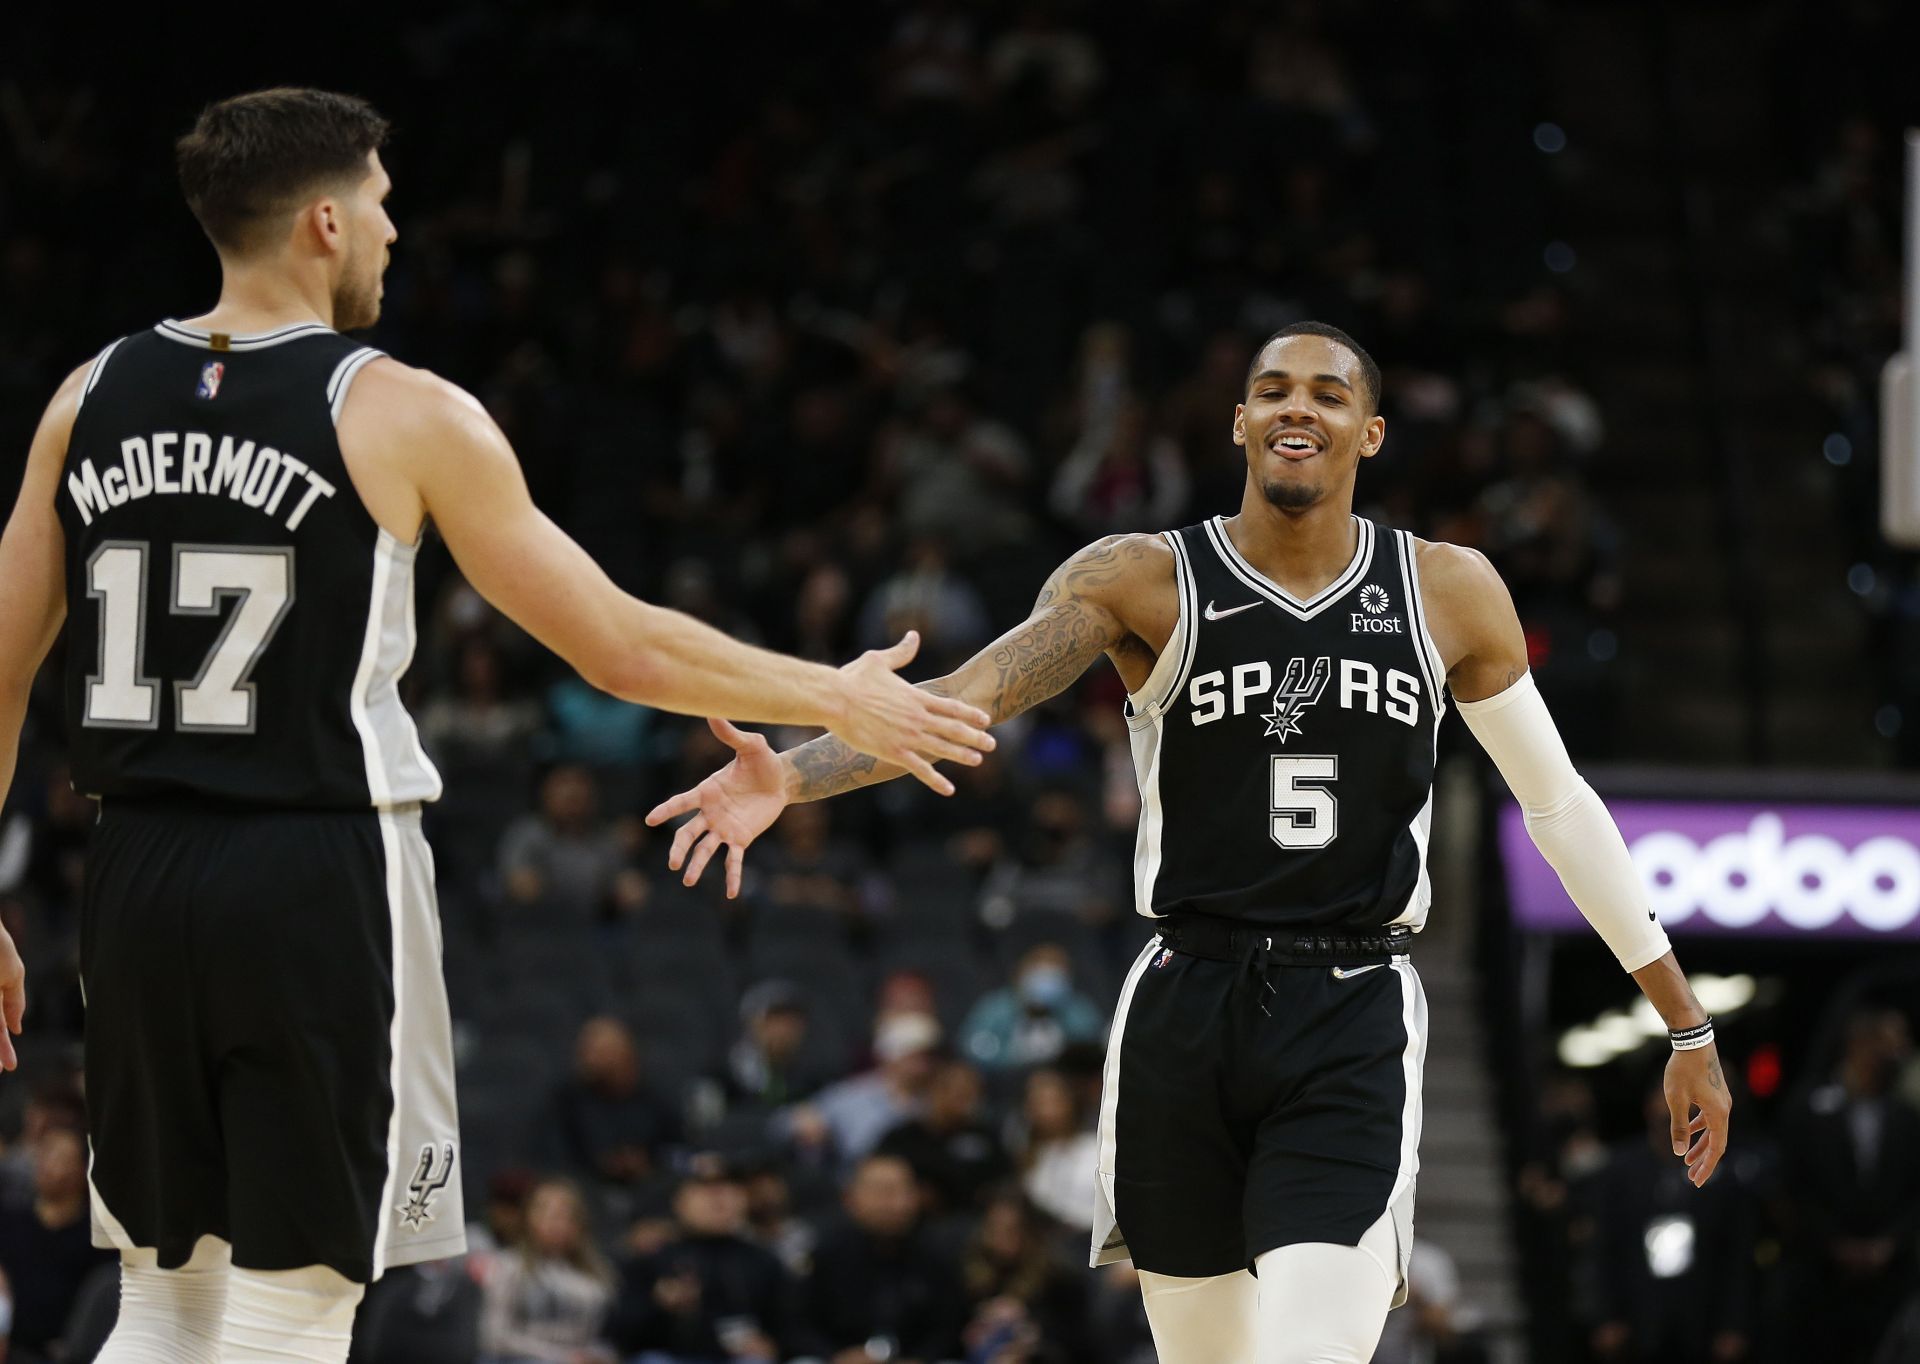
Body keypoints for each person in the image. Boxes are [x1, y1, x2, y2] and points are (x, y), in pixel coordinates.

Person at [0, 87, 993, 1364]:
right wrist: (832, 690)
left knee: (165, 1294)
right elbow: (617, 641)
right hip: (311, 869)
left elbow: (5, 664)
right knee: (293, 1301)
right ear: (322, 220)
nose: (394, 232)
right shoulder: (399, 407)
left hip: (132, 877)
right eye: (380, 203)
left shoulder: (85, 398)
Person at [649, 321, 1733, 1362]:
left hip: (1349, 1003)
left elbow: (1558, 806)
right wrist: (787, 777)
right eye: (1273, 389)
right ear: (1237, 422)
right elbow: (964, 698)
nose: (1297, 406)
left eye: (1328, 392)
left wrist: (1685, 1025)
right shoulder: (1137, 577)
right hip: (1185, 1003)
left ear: (1372, 433)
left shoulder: (1448, 589)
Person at [607, 1159, 798, 1364]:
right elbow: (618, 1334)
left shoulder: (764, 1261)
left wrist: (773, 1344)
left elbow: (793, 1327)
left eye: (727, 1188)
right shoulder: (652, 1260)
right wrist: (658, 1305)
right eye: (704, 1190)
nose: (718, 1198)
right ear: (679, 1202)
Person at [793, 1154, 966, 1364]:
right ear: (851, 1198)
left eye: (906, 1190)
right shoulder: (825, 1254)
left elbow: (950, 1326)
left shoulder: (937, 1254)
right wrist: (835, 1356)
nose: (898, 1203)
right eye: (885, 1192)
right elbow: (797, 1324)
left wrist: (921, 1358)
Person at [0, 1125, 115, 1361]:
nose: (46, 1164)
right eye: (43, 1154)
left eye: (59, 1157)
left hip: (68, 1353)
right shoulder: (9, 1221)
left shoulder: (97, 1239)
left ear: (83, 1168)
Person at [534, 1017, 683, 1195]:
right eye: (587, 1050)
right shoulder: (567, 1100)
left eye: (601, 1051)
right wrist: (599, 1165)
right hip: (588, 1192)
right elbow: (554, 1156)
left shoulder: (656, 1098)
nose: (590, 1058)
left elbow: (680, 1150)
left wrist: (649, 1163)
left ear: (626, 1053)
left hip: (652, 1190)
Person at [479, 1179, 616, 1364]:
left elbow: (595, 1338)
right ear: (528, 1218)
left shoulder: (595, 1274)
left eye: (565, 1215)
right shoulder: (508, 1265)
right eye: (547, 1213)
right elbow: (493, 1336)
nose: (556, 1223)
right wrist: (558, 1357)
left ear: (579, 1223)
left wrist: (600, 1356)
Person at [958, 943, 1106, 1071]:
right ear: (1020, 975)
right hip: (1004, 1080)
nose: (1047, 983)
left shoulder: (1079, 1011)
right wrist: (1012, 1058)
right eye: (1040, 975)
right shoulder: (995, 1008)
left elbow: (1090, 1051)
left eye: (1054, 976)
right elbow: (974, 1047)